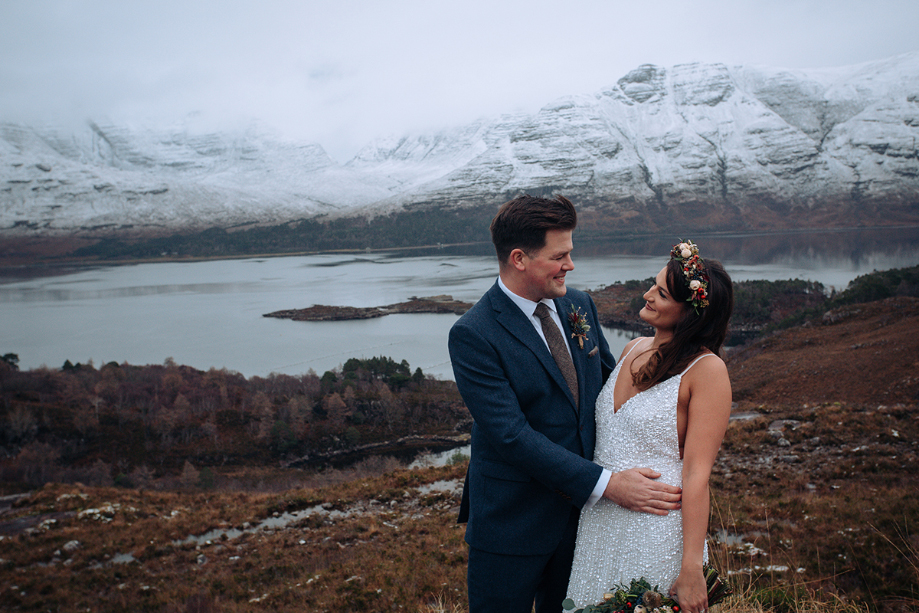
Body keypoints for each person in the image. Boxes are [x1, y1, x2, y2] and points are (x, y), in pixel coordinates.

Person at [448, 194, 682, 613]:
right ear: (519, 258)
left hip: (584, 524)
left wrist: (688, 377)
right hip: (511, 525)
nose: (570, 265)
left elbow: (613, 390)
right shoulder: (473, 334)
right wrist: (610, 484)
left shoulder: (580, 305)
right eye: (561, 256)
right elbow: (511, 436)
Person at [565, 240, 734, 613]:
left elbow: (696, 474)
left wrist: (691, 566)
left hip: (656, 530)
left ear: (690, 313)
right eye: (653, 285)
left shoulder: (707, 371)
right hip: (600, 522)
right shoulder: (632, 349)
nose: (647, 295)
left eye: (661, 293)